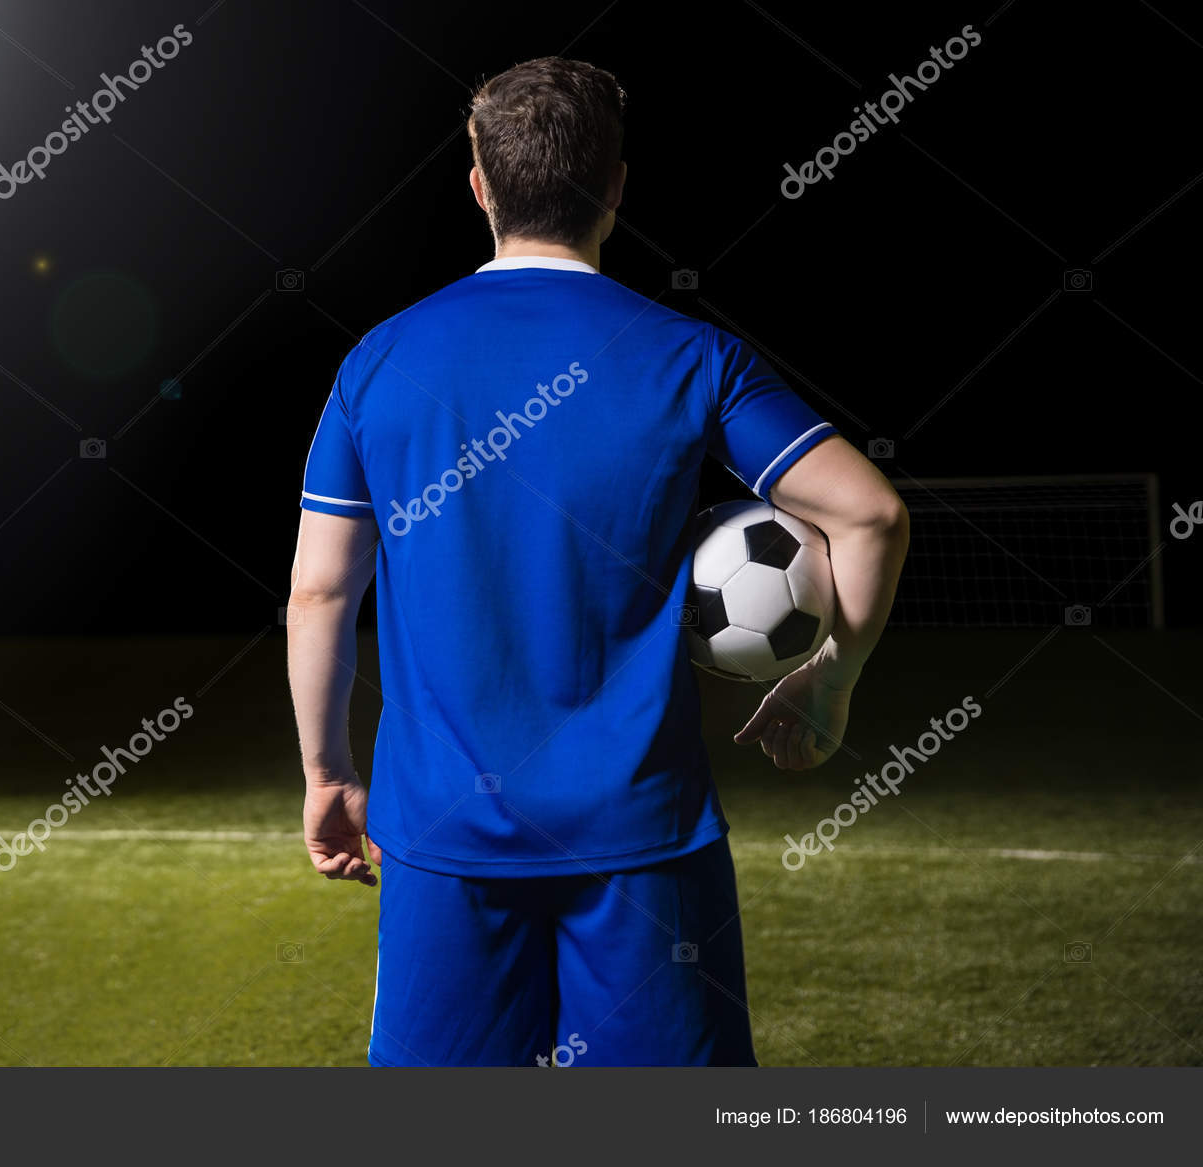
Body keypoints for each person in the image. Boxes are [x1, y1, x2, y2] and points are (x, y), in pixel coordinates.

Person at [286, 56, 909, 1067]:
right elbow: (870, 516)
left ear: (480, 184)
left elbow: (318, 591)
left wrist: (327, 773)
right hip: (642, 831)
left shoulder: (380, 362)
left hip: (444, 829)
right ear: (617, 186)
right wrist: (829, 680)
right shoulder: (692, 357)